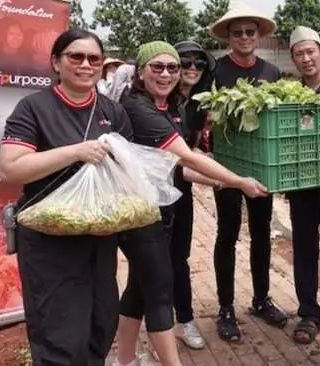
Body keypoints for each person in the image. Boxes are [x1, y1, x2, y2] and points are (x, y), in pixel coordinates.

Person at [113, 41, 268, 366]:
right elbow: (186, 156)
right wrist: (239, 181)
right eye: (158, 67)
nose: (167, 73)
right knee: (158, 291)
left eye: (172, 67)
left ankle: (125, 360)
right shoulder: (137, 107)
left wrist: (226, 181)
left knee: (139, 289)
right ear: (141, 71)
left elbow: (180, 169)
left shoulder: (168, 107)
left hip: (159, 211)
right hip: (141, 214)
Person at [0, 28, 133, 366]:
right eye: (76, 56)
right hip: (48, 242)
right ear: (56, 62)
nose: (86, 64)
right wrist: (76, 152)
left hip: (99, 237)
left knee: (101, 324)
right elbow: (11, 169)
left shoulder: (113, 112)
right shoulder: (34, 108)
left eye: (94, 59)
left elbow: (126, 173)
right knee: (60, 335)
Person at [207, 1, 289, 341]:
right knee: (227, 234)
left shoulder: (271, 72)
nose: (244, 37)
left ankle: (260, 299)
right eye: (237, 32)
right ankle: (225, 307)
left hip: (261, 167)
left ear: (258, 36)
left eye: (249, 32)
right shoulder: (216, 70)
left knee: (260, 233)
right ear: (228, 36)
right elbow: (201, 117)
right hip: (227, 167)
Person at [284, 25, 320, 345]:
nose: (306, 58)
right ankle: (309, 313)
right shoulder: (290, 94)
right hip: (302, 186)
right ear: (293, 58)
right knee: (304, 249)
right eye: (299, 54)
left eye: (310, 51)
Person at [170, 40, 216, 349]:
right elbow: (179, 161)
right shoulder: (158, 102)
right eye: (184, 62)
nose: (192, 68)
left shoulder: (198, 106)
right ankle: (156, 323)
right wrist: (226, 180)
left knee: (179, 258)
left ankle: (184, 320)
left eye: (199, 64)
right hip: (152, 193)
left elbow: (195, 149)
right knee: (152, 262)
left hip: (181, 192)